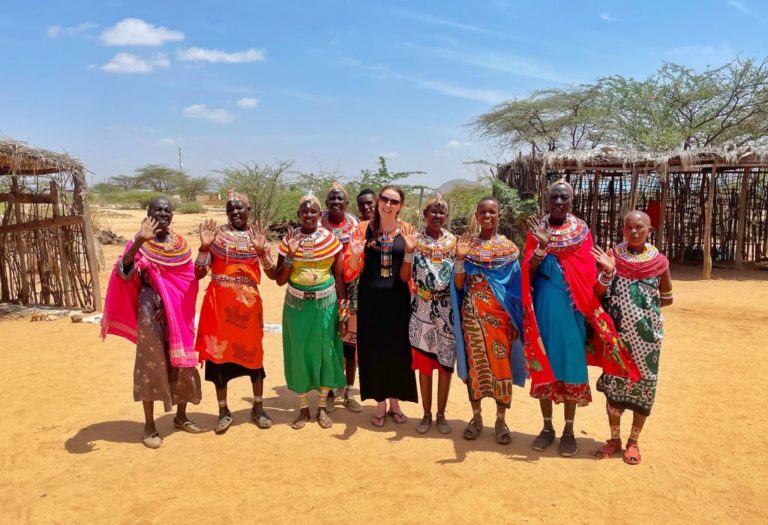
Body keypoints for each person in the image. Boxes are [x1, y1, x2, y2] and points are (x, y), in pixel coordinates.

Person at [522, 179, 638, 457]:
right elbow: (528, 273)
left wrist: (606, 274)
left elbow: (588, 274)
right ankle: (547, 427)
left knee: (571, 365)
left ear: (571, 201)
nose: (559, 203)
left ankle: (569, 431)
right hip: (545, 308)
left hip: (574, 309)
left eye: (564, 198)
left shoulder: (581, 231)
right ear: (546, 201)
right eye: (554, 198)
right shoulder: (538, 230)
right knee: (545, 364)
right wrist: (540, 248)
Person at [101, 196, 203, 449]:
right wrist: (139, 242)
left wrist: (172, 309)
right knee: (151, 363)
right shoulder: (139, 242)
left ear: (173, 215)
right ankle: (149, 425)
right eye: (157, 209)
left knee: (182, 363)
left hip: (178, 311)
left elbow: (189, 282)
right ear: (148, 213)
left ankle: (181, 416)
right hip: (149, 309)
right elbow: (124, 274)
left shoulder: (180, 245)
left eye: (167, 210)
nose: (163, 214)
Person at [592, 210, 673, 465]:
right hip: (616, 338)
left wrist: (643, 314)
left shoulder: (659, 263)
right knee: (614, 385)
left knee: (644, 388)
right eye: (628, 228)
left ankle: (633, 441)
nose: (634, 232)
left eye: (639, 228)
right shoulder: (612, 257)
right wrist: (607, 273)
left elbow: (668, 298)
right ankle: (614, 439)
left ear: (650, 230)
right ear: (623, 230)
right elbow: (596, 292)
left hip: (647, 341)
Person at [194, 190, 278, 434]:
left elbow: (272, 275)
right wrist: (203, 247)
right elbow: (199, 273)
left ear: (248, 210)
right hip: (219, 307)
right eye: (230, 209)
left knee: (254, 356)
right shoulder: (216, 237)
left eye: (240, 207)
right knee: (219, 358)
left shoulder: (257, 236)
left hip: (249, 308)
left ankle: (258, 408)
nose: (235, 212)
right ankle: (223, 411)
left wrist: (262, 253)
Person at [451, 197, 528, 444]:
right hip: (472, 317)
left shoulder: (508, 250)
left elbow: (515, 291)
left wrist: (515, 321)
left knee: (501, 368)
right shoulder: (467, 246)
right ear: (476, 216)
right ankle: (476, 417)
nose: (487, 216)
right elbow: (459, 286)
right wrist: (461, 259)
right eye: (482, 212)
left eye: (492, 212)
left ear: (499, 216)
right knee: (475, 368)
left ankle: (500, 419)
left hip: (501, 320)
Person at [345, 185, 417, 427]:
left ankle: (395, 402)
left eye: (394, 201)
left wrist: (409, 251)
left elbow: (410, 273)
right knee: (372, 352)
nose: (388, 204)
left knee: (397, 351)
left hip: (398, 302)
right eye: (384, 199)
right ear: (377, 202)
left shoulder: (406, 230)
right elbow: (350, 270)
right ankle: (380, 404)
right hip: (370, 302)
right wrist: (355, 254)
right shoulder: (363, 230)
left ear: (400, 206)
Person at [276, 195, 348, 429]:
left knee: (326, 350)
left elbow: (339, 278)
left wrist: (343, 312)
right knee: (299, 351)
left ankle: (321, 409)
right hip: (296, 306)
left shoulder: (331, 240)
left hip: (325, 304)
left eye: (313, 211)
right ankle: (303, 408)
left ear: (320, 214)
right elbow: (280, 280)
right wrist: (290, 256)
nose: (308, 215)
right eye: (304, 211)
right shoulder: (289, 240)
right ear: (298, 215)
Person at [400, 195, 456, 434]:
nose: (437, 216)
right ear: (425, 215)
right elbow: (404, 277)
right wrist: (409, 252)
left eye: (442, 212)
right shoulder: (414, 240)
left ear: (446, 216)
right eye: (433, 211)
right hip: (422, 309)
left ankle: (441, 415)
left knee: (444, 364)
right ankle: (425, 414)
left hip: (447, 312)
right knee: (424, 365)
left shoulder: (454, 242)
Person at [320, 182, 362, 413]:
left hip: (351, 288)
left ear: (347, 203)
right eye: (332, 199)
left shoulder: (354, 224)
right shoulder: (318, 222)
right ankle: (326, 391)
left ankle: (347, 391)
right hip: (324, 288)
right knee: (328, 340)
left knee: (349, 341)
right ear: (326, 203)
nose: (336, 202)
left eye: (340, 199)